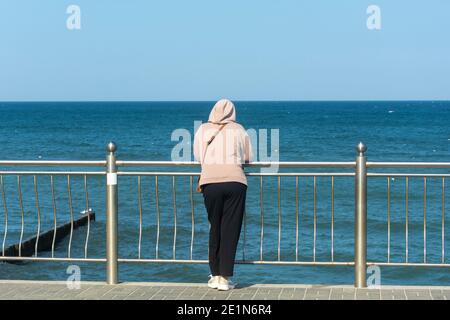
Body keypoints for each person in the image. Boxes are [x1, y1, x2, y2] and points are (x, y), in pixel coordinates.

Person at [193, 99, 253, 291]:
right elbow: (248, 157)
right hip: (235, 182)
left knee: (215, 227)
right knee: (230, 229)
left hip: (210, 182)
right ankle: (225, 278)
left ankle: (215, 275)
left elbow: (197, 155)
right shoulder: (239, 129)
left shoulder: (203, 129)